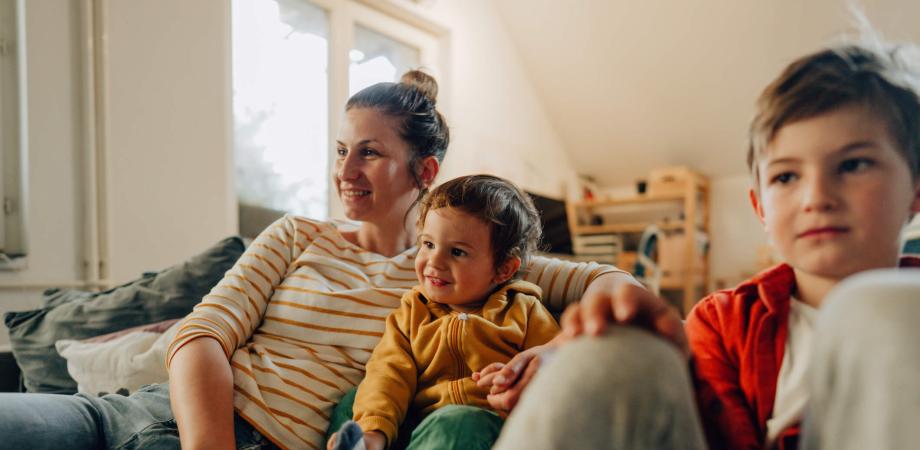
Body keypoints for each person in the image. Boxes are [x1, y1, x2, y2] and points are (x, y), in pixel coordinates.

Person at [0, 70, 640, 450]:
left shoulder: (455, 267)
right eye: (341, 150)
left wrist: (553, 355)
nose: (345, 171)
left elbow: (619, 287)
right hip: (139, 413)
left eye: (369, 153)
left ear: (425, 170)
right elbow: (200, 336)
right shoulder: (298, 234)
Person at [489, 40, 920, 450]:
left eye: (854, 164)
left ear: (915, 190)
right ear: (761, 208)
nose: (816, 197)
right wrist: (679, 363)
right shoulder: (722, 321)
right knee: (618, 353)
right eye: (786, 176)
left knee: (877, 308)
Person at [326, 174, 560, 450]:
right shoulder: (414, 310)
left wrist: (514, 380)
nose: (434, 261)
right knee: (355, 400)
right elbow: (389, 372)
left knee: (461, 422)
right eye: (428, 244)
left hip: (480, 428)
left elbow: (557, 375)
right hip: (415, 428)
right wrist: (373, 431)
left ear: (504, 269)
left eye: (458, 252)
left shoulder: (523, 311)